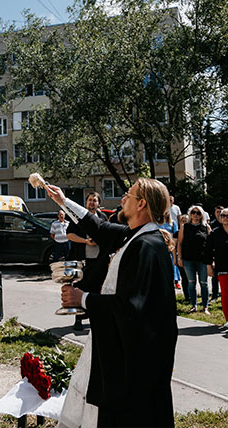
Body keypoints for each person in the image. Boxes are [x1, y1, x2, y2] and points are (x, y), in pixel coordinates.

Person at [53, 179, 177, 428]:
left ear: (141, 204)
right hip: (123, 352)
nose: (122, 199)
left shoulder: (146, 246)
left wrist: (83, 299)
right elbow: (98, 226)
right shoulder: (135, 237)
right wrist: (63, 201)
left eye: (127, 195)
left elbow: (131, 308)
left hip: (133, 365)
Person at [69, 192, 109, 331]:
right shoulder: (78, 216)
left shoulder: (103, 217)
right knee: (81, 288)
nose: (92, 202)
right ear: (86, 202)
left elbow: (108, 235)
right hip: (83, 259)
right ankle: (78, 319)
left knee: (97, 290)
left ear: (99, 203)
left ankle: (95, 318)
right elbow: (69, 235)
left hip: (99, 260)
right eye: (90, 200)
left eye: (95, 200)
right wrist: (85, 241)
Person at [178, 206, 212, 314]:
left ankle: (205, 306)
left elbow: (211, 244)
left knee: (204, 283)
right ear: (190, 214)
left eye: (198, 213)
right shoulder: (185, 226)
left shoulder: (206, 227)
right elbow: (180, 242)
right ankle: (193, 305)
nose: (195, 215)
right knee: (191, 282)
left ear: (201, 214)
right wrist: (179, 257)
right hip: (188, 259)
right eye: (193, 212)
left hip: (203, 259)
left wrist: (212, 259)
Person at [163, 210, 181, 291]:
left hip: (171, 244)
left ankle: (176, 281)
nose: (165, 214)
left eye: (166, 212)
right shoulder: (157, 223)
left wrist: (173, 245)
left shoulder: (173, 223)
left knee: (174, 263)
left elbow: (176, 235)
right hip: (161, 245)